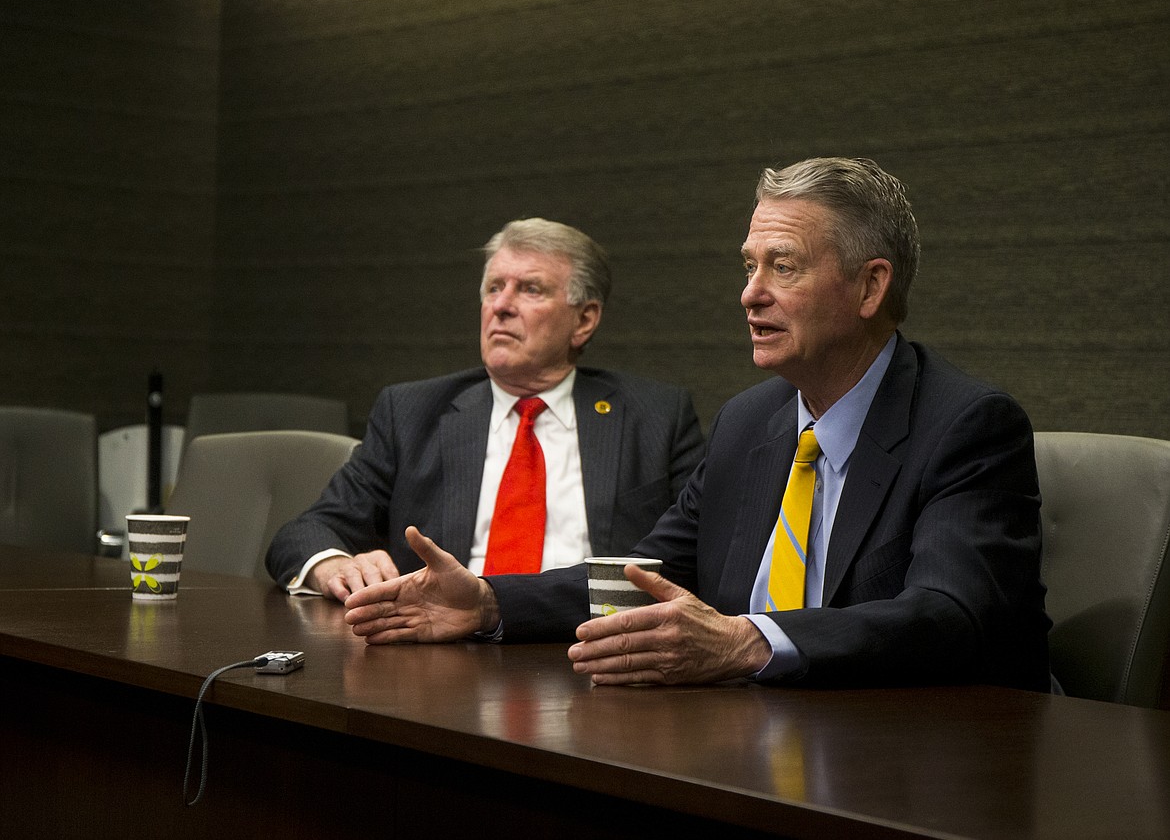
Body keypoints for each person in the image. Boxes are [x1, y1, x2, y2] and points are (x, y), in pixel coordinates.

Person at [342, 158, 1052, 692]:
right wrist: (491, 600)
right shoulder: (751, 422)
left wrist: (748, 640)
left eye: (783, 266)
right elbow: (647, 572)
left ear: (871, 286)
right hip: (758, 740)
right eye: (748, 266)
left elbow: (950, 615)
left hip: (926, 756)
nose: (750, 293)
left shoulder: (966, 424)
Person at [266, 217, 704, 600]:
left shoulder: (656, 417)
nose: (501, 305)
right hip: (442, 646)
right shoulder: (412, 412)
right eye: (494, 288)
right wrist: (330, 565)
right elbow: (305, 533)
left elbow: (699, 555)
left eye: (530, 289)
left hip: (589, 641)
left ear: (584, 320)